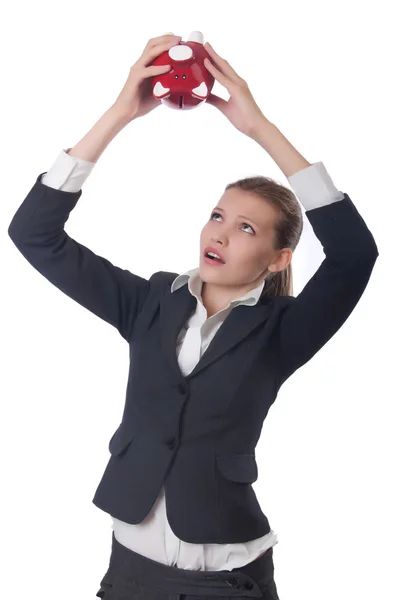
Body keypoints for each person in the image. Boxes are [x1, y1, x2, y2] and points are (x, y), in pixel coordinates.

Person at [8, 34, 379, 600]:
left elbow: (355, 253)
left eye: (246, 229)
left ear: (279, 259)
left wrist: (258, 126)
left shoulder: (284, 332)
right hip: (130, 574)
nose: (220, 234)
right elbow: (33, 234)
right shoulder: (149, 302)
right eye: (218, 216)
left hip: (227, 581)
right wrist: (121, 112)